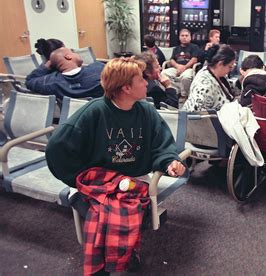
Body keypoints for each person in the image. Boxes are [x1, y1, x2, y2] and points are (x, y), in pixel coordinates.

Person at [46, 57, 186, 275]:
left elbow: (162, 144)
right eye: (141, 79)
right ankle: (117, 262)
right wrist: (77, 178)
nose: (146, 83)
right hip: (100, 182)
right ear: (126, 88)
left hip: (135, 180)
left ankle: (118, 259)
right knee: (106, 211)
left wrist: (170, 162)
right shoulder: (94, 111)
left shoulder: (146, 111)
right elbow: (57, 148)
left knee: (112, 211)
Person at [26, 47, 104, 99]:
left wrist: (47, 65)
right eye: (73, 52)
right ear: (68, 56)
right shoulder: (99, 70)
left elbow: (29, 80)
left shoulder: (50, 83)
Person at [182, 44, 235, 112]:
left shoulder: (216, 73)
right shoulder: (205, 85)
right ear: (220, 64)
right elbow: (194, 114)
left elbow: (230, 87)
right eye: (230, 66)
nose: (231, 70)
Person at [162, 28, 201, 97]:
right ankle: (175, 91)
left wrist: (184, 67)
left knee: (185, 77)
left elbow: (194, 59)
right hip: (176, 68)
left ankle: (184, 95)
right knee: (163, 73)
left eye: (186, 35)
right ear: (179, 37)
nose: (184, 37)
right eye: (182, 36)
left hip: (189, 68)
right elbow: (171, 60)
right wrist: (177, 66)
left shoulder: (194, 47)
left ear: (190, 37)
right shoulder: (176, 49)